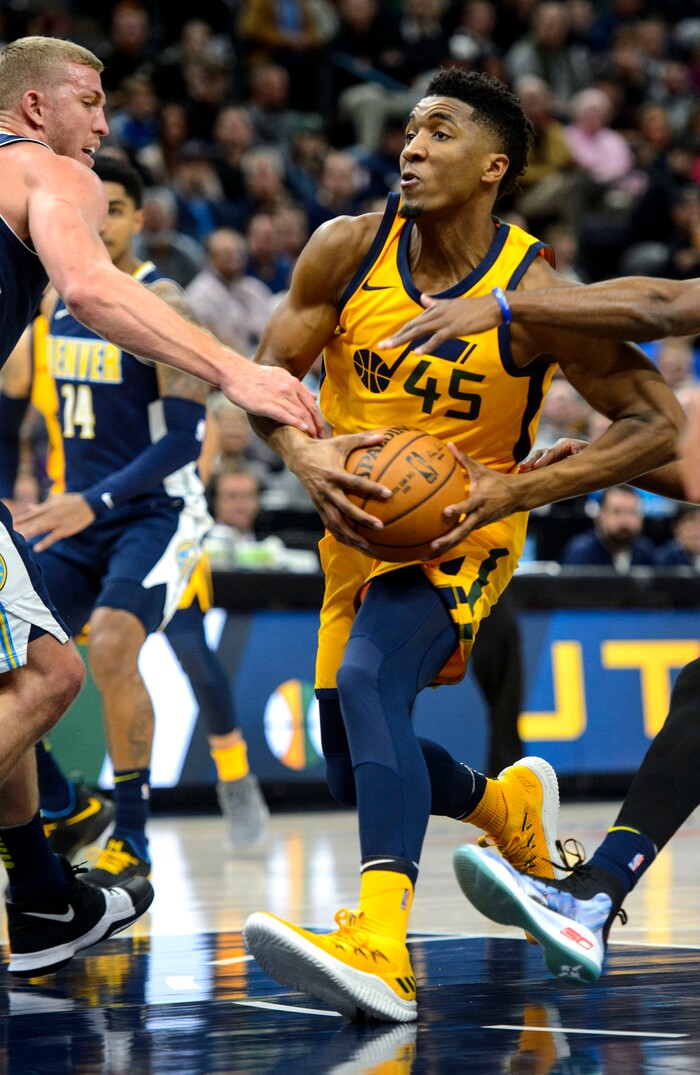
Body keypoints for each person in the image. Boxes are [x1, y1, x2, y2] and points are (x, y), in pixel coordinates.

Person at [239, 67, 683, 1023]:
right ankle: (506, 810)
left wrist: (518, 489)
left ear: (493, 167)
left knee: (369, 685)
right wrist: (305, 460)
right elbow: (262, 380)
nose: (410, 147)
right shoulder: (346, 252)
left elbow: (657, 426)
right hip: (352, 529)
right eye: (407, 131)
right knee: (344, 761)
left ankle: (382, 946)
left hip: (461, 531)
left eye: (438, 133)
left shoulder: (537, 290)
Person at [0, 33, 320, 980]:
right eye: (89, 102)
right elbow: (91, 288)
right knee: (56, 678)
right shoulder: (53, 179)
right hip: (78, 502)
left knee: (45, 666)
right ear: (33, 109)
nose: (103, 123)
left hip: (144, 504)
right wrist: (240, 371)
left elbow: (180, 438)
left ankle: (47, 892)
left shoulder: (162, 286)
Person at [559, 484, 657, 570]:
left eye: (632, 512)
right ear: (600, 515)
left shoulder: (645, 552)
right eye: (617, 512)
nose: (625, 521)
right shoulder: (581, 552)